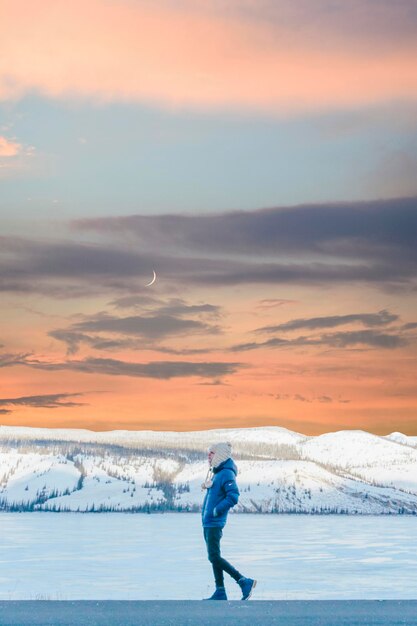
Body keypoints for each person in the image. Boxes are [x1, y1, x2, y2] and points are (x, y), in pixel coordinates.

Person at [201, 441, 257, 601]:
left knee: (214, 557)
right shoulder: (217, 474)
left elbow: (233, 496)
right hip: (208, 522)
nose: (208, 456)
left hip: (214, 522)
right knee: (214, 556)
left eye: (211, 453)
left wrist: (216, 510)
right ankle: (220, 591)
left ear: (219, 454)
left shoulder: (226, 473)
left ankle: (243, 581)